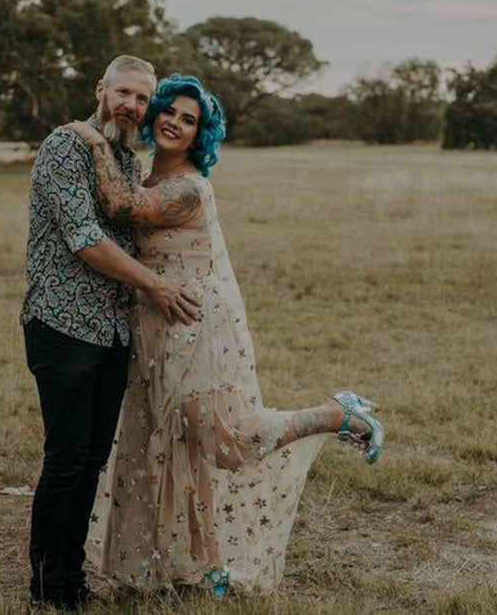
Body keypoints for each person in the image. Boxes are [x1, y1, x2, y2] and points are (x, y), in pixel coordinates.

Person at [63, 74, 385, 596]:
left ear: (199, 136)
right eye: (169, 111)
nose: (173, 122)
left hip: (193, 326)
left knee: (225, 443)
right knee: (166, 448)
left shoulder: (187, 188)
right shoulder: (144, 174)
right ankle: (192, 566)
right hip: (152, 323)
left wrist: (93, 135)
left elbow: (122, 209)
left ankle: (337, 414)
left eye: (189, 121)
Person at [20, 57, 202, 611]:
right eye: (125, 92)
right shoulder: (64, 147)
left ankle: (71, 581)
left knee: (92, 462)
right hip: (64, 326)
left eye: (143, 99)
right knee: (68, 460)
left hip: (112, 335)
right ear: (101, 89)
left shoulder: (123, 158)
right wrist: (156, 287)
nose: (132, 106)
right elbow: (85, 238)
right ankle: (50, 590)